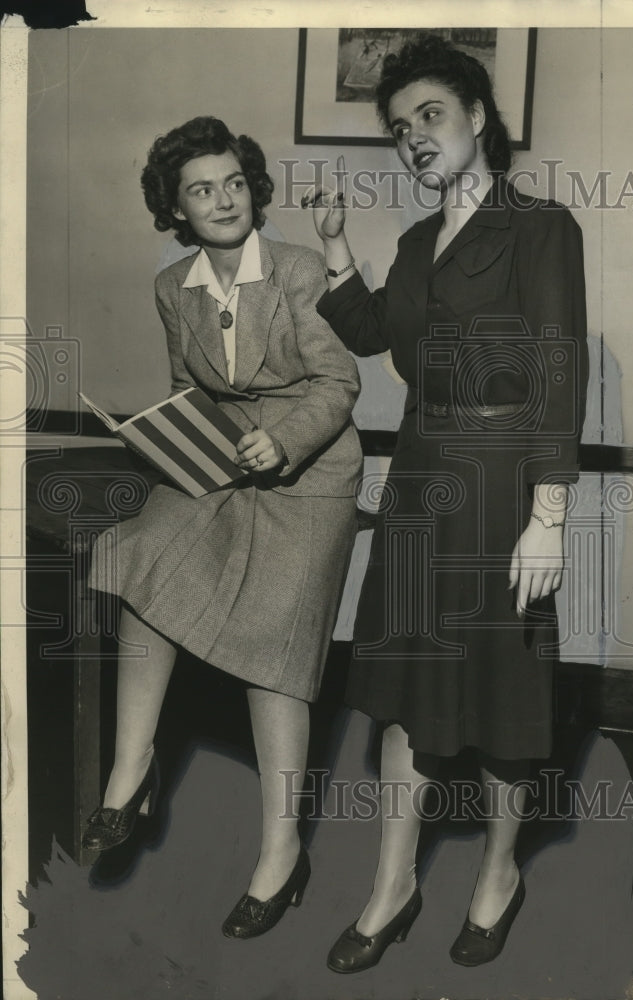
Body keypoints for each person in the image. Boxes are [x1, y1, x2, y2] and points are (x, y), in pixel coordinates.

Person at [304, 34, 588, 971]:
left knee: (504, 694)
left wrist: (549, 514)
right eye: (398, 128)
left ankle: (498, 874)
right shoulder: (420, 240)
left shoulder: (540, 225)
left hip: (506, 477)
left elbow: (558, 363)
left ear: (477, 116)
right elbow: (383, 333)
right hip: (426, 472)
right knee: (404, 692)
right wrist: (339, 251)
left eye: (430, 115)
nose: (413, 137)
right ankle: (393, 887)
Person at [85, 116, 363, 940]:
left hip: (309, 472)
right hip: (221, 466)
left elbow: (340, 381)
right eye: (202, 190)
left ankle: (282, 854)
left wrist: (284, 439)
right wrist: (183, 438)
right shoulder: (173, 287)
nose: (223, 200)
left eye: (234, 182)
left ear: (254, 190)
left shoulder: (303, 271)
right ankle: (130, 776)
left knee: (275, 649)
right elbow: (189, 385)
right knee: (140, 561)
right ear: (175, 209)